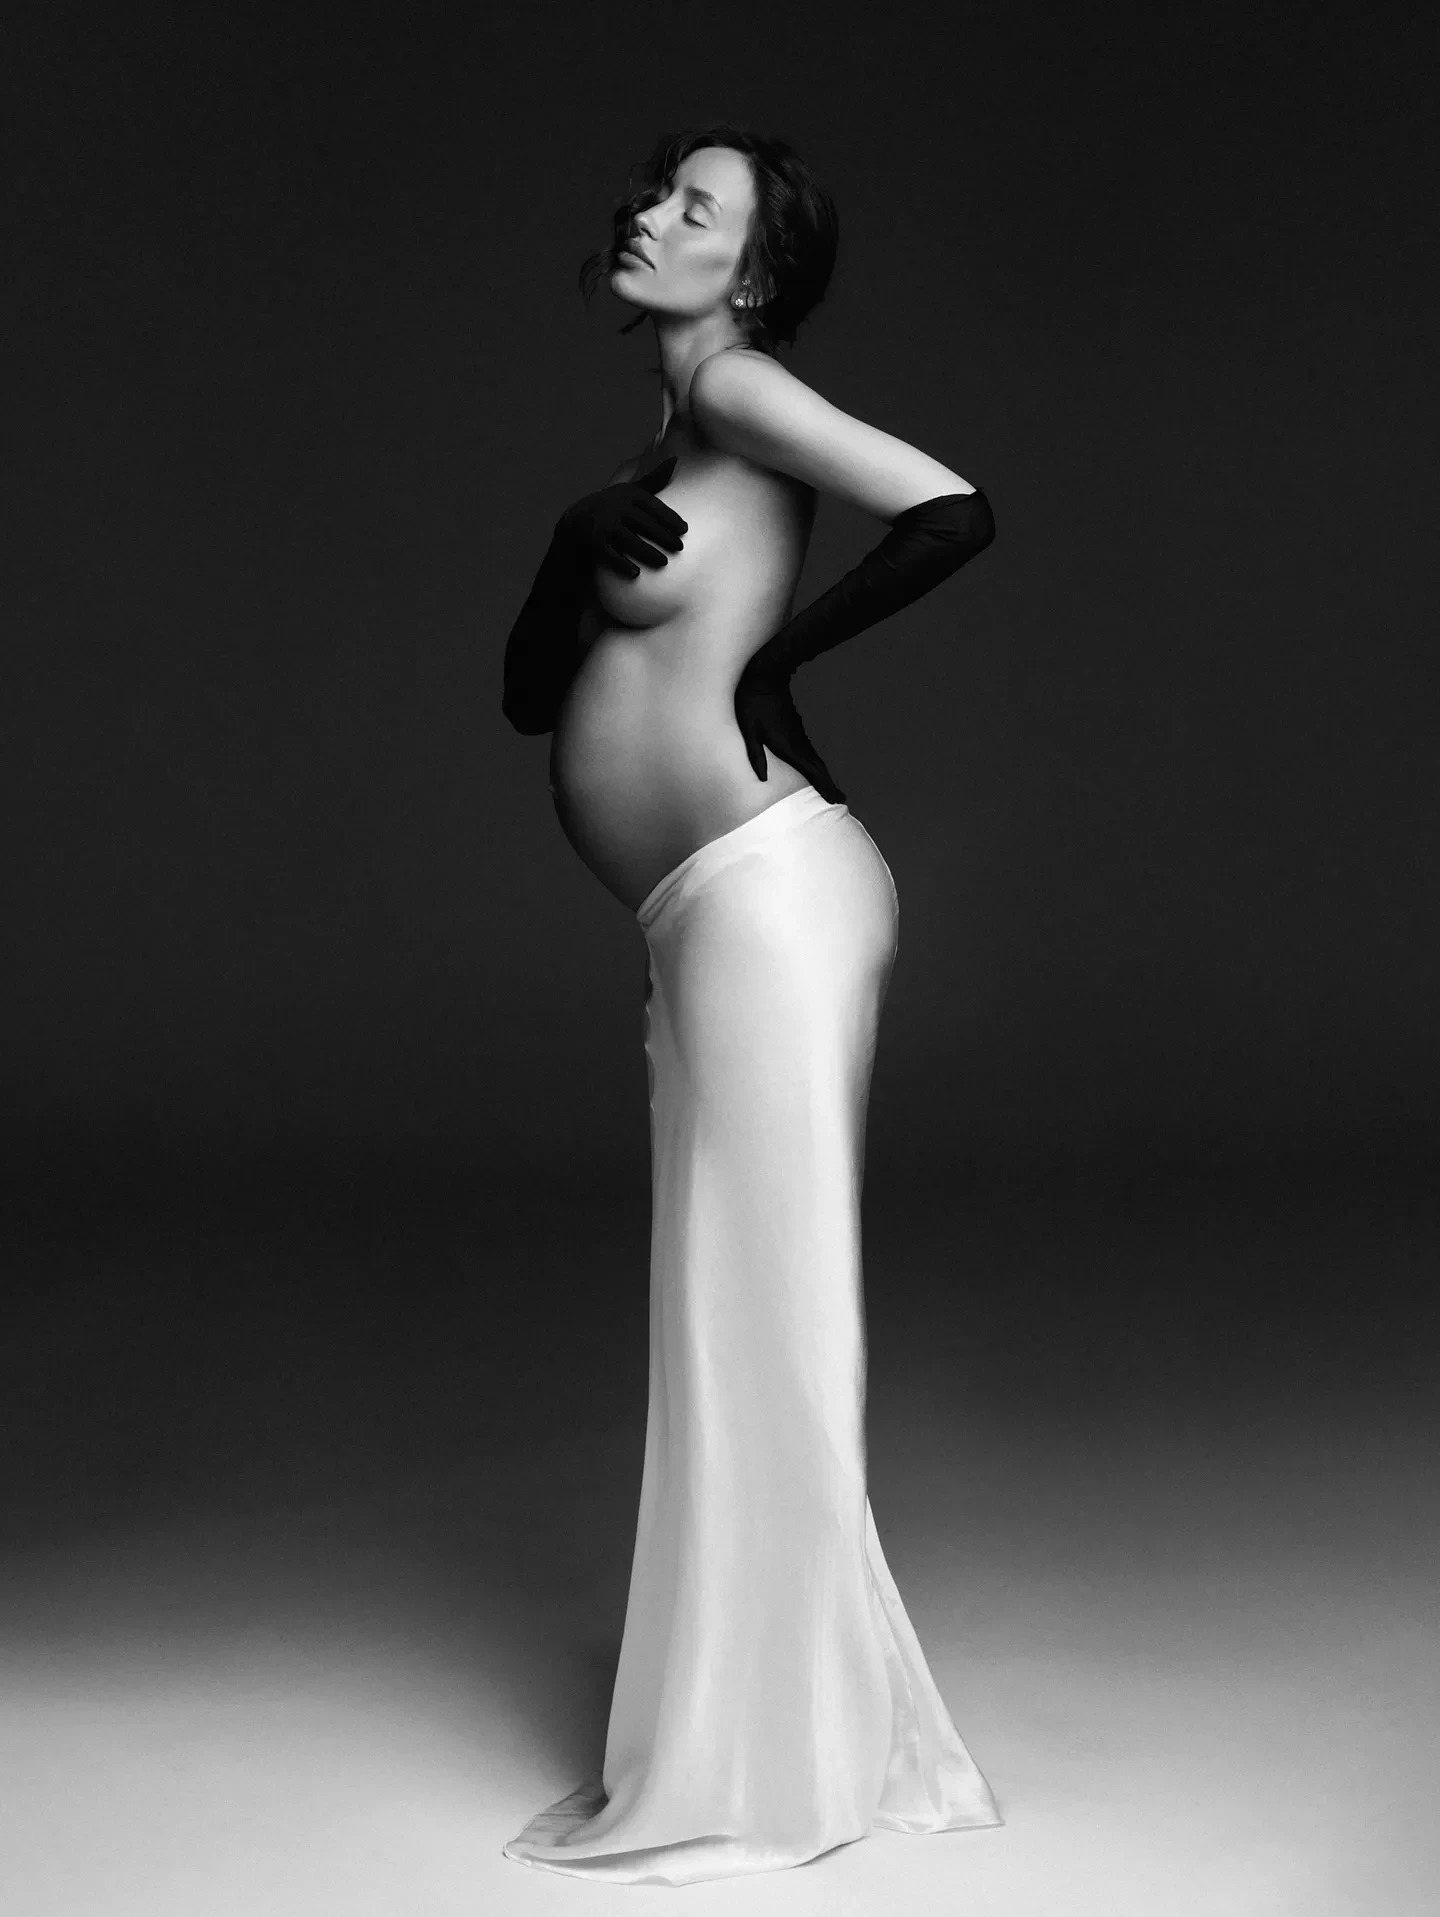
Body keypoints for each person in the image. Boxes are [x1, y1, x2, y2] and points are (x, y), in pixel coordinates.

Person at [501, 124, 1001, 1887]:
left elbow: (951, 507)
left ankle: (777, 1771)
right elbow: (526, 700)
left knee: (765, 1327)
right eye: (654, 192)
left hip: (770, 902)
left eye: (693, 207)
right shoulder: (668, 442)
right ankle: (744, 1736)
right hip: (702, 918)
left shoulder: (741, 386)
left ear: (757, 272)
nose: (647, 213)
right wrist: (566, 546)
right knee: (723, 1326)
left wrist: (783, 660)